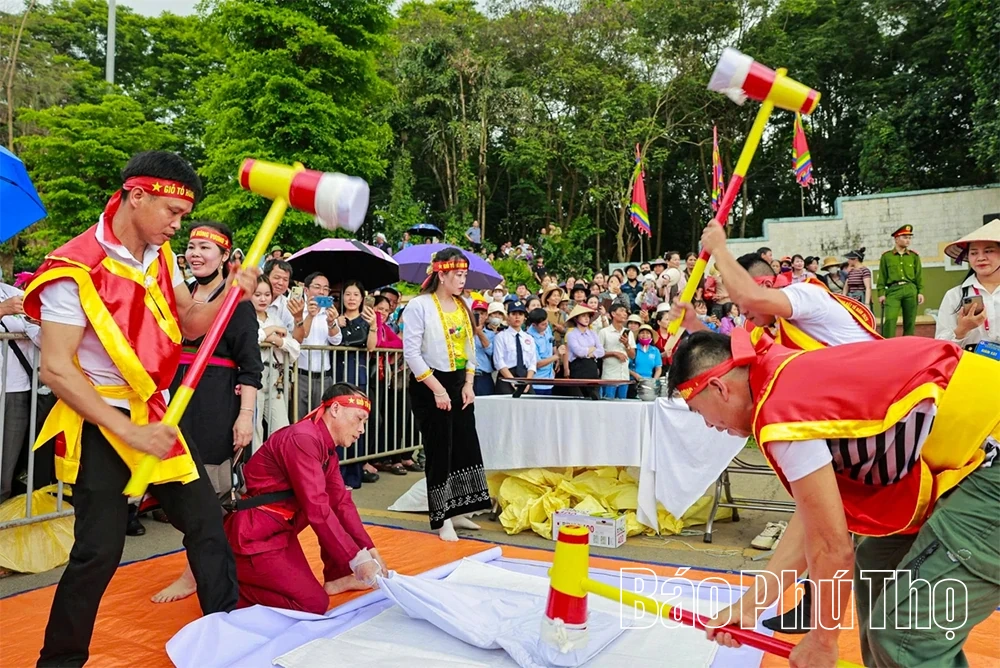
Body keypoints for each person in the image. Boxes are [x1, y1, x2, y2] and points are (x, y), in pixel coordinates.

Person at [23, 150, 254, 667]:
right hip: (100, 418)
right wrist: (124, 432)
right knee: (97, 553)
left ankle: (230, 639)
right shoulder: (72, 268)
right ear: (137, 194)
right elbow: (57, 370)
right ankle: (58, 662)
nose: (179, 226)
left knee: (206, 525)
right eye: (172, 213)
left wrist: (232, 295)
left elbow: (192, 323)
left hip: (156, 415)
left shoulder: (160, 257)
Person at [669, 329, 999, 668]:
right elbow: (814, 520)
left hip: (991, 454)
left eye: (698, 411)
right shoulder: (782, 373)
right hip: (976, 444)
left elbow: (831, 546)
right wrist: (751, 604)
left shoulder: (779, 412)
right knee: (875, 562)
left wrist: (822, 641)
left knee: (906, 636)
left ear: (718, 388)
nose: (709, 426)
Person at [153, 221, 264, 604]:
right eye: (192, 246)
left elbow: (251, 365)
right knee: (179, 491)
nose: (196, 253)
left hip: (216, 402)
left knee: (211, 493)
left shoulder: (238, 300)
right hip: (173, 401)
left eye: (206, 248)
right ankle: (200, 566)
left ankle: (195, 574)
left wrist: (245, 415)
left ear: (223, 256)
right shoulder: (178, 296)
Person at [225, 383, 388, 614]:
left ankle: (337, 576)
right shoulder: (303, 438)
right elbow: (317, 508)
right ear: (335, 410)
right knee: (313, 604)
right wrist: (357, 558)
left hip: (279, 530)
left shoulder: (325, 448)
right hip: (254, 535)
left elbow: (341, 503)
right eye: (359, 419)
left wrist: (370, 550)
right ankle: (228, 589)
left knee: (334, 508)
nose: (362, 429)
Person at [402, 248, 491, 541]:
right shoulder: (418, 306)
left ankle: (460, 510)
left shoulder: (463, 305)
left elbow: (469, 348)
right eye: (458, 275)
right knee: (440, 450)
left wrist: (468, 383)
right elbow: (412, 354)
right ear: (441, 274)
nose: (463, 280)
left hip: (458, 383)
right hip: (429, 384)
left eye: (465, 275)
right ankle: (442, 518)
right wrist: (438, 389)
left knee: (466, 446)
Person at [935, 218, 1000, 352]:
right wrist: (962, 329)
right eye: (974, 253)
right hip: (970, 367)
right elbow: (940, 346)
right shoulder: (955, 295)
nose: (980, 258)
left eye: (988, 251)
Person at [251, 276, 299, 450]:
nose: (263, 299)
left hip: (275, 380)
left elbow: (295, 348)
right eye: (257, 294)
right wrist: (270, 332)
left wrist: (278, 342)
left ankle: (277, 470)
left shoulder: (275, 318)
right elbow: (250, 340)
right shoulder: (244, 318)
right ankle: (253, 473)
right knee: (254, 429)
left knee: (281, 427)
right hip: (252, 380)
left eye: (267, 294)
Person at [290, 272, 343, 422]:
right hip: (300, 375)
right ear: (306, 290)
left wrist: (332, 322)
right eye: (317, 287)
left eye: (326, 289)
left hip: (323, 377)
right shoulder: (297, 311)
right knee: (298, 419)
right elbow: (299, 338)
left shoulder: (329, 312)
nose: (322, 292)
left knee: (322, 421)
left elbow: (337, 340)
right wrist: (310, 315)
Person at [877, 224, 924, 337]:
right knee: (890, 319)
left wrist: (920, 291)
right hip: (893, 290)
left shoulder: (914, 256)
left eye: (909, 238)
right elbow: (882, 276)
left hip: (910, 288)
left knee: (910, 321)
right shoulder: (887, 256)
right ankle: (888, 344)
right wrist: (881, 293)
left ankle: (908, 345)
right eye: (905, 237)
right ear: (896, 239)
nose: (908, 240)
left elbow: (919, 275)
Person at [492, 300, 537, 395]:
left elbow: (532, 362)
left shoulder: (529, 338)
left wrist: (528, 381)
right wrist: (512, 380)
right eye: (513, 314)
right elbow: (499, 361)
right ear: (508, 316)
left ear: (525, 317)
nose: (517, 317)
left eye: (520, 314)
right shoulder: (501, 336)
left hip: (525, 377)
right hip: (506, 376)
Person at [565, 303, 604, 399]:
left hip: (591, 368)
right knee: (579, 399)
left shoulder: (593, 333)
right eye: (583, 316)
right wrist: (591, 349)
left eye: (588, 316)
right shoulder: (571, 334)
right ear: (576, 319)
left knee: (594, 397)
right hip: (577, 368)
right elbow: (578, 352)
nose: (587, 319)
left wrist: (589, 353)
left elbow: (601, 351)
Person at [598, 303, 634, 399]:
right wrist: (614, 353)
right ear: (613, 314)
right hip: (609, 376)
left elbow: (632, 355)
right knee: (608, 405)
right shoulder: (604, 332)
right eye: (621, 311)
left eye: (625, 312)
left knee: (623, 405)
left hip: (624, 376)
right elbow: (598, 354)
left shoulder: (629, 333)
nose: (625, 314)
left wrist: (627, 345)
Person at [525, 308, 560, 395]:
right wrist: (556, 356)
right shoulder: (529, 338)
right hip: (537, 382)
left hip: (550, 379)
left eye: (547, 322)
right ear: (534, 325)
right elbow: (536, 364)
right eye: (543, 324)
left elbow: (551, 340)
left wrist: (556, 356)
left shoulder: (547, 328)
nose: (546, 325)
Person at [472, 301, 500, 396]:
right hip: (466, 376)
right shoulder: (463, 332)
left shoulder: (491, 334)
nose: (479, 316)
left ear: (486, 316)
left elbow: (492, 352)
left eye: (482, 313)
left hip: (484, 376)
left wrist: (479, 333)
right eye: (476, 313)